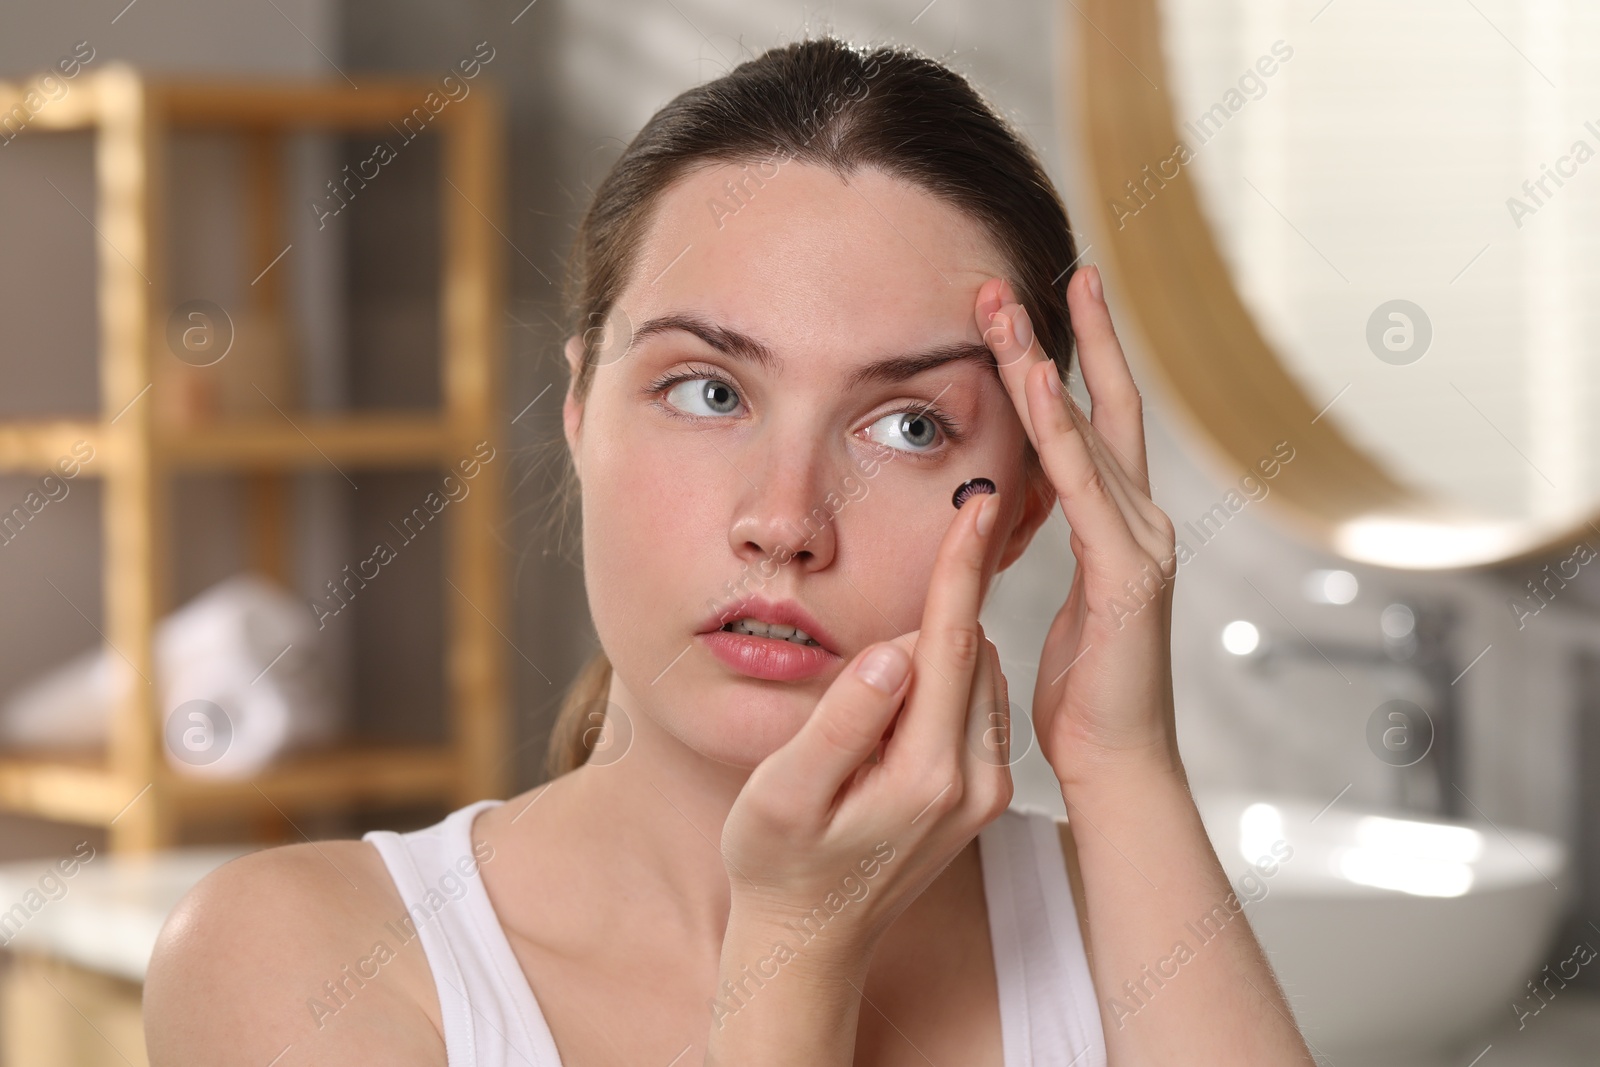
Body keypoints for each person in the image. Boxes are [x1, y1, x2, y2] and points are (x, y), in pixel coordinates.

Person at [143, 37, 1314, 1066]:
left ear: (1026, 507)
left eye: (909, 425)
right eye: (707, 390)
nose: (785, 518)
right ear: (578, 414)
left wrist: (1121, 760)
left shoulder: (1124, 925)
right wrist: (794, 956)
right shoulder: (303, 957)